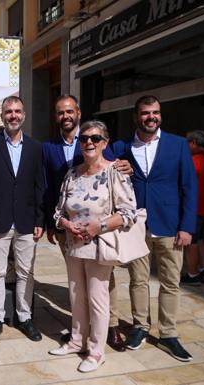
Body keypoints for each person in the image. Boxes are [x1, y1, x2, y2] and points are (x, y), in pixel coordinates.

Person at [42, 94, 131, 352]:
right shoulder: (71, 173)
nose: (89, 142)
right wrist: (64, 226)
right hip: (72, 242)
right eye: (85, 139)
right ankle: (77, 340)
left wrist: (98, 227)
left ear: (105, 143)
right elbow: (56, 205)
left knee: (98, 296)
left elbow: (128, 211)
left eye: (94, 139)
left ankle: (97, 349)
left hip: (100, 242)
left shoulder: (114, 168)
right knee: (76, 294)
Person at [113, 95, 197, 362]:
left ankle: (169, 334)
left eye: (156, 113)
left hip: (170, 225)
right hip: (136, 226)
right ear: (136, 116)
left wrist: (187, 226)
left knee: (170, 283)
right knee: (138, 280)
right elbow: (95, 158)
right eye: (146, 113)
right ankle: (140, 326)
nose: (152, 117)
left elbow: (189, 187)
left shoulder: (178, 145)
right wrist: (115, 165)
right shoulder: (122, 146)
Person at [0, 96, 44, 344]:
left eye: (17, 111)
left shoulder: (35, 147)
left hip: (26, 221)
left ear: (24, 115)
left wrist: (40, 219)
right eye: (8, 111)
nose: (13, 115)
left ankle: (25, 318)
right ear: (2, 116)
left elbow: (39, 187)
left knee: (26, 272)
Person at [181, 130, 204, 285]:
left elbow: (185, 182)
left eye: (187, 143)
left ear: (194, 143)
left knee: (192, 241)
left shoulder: (196, 160)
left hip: (197, 207)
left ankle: (192, 274)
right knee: (201, 238)